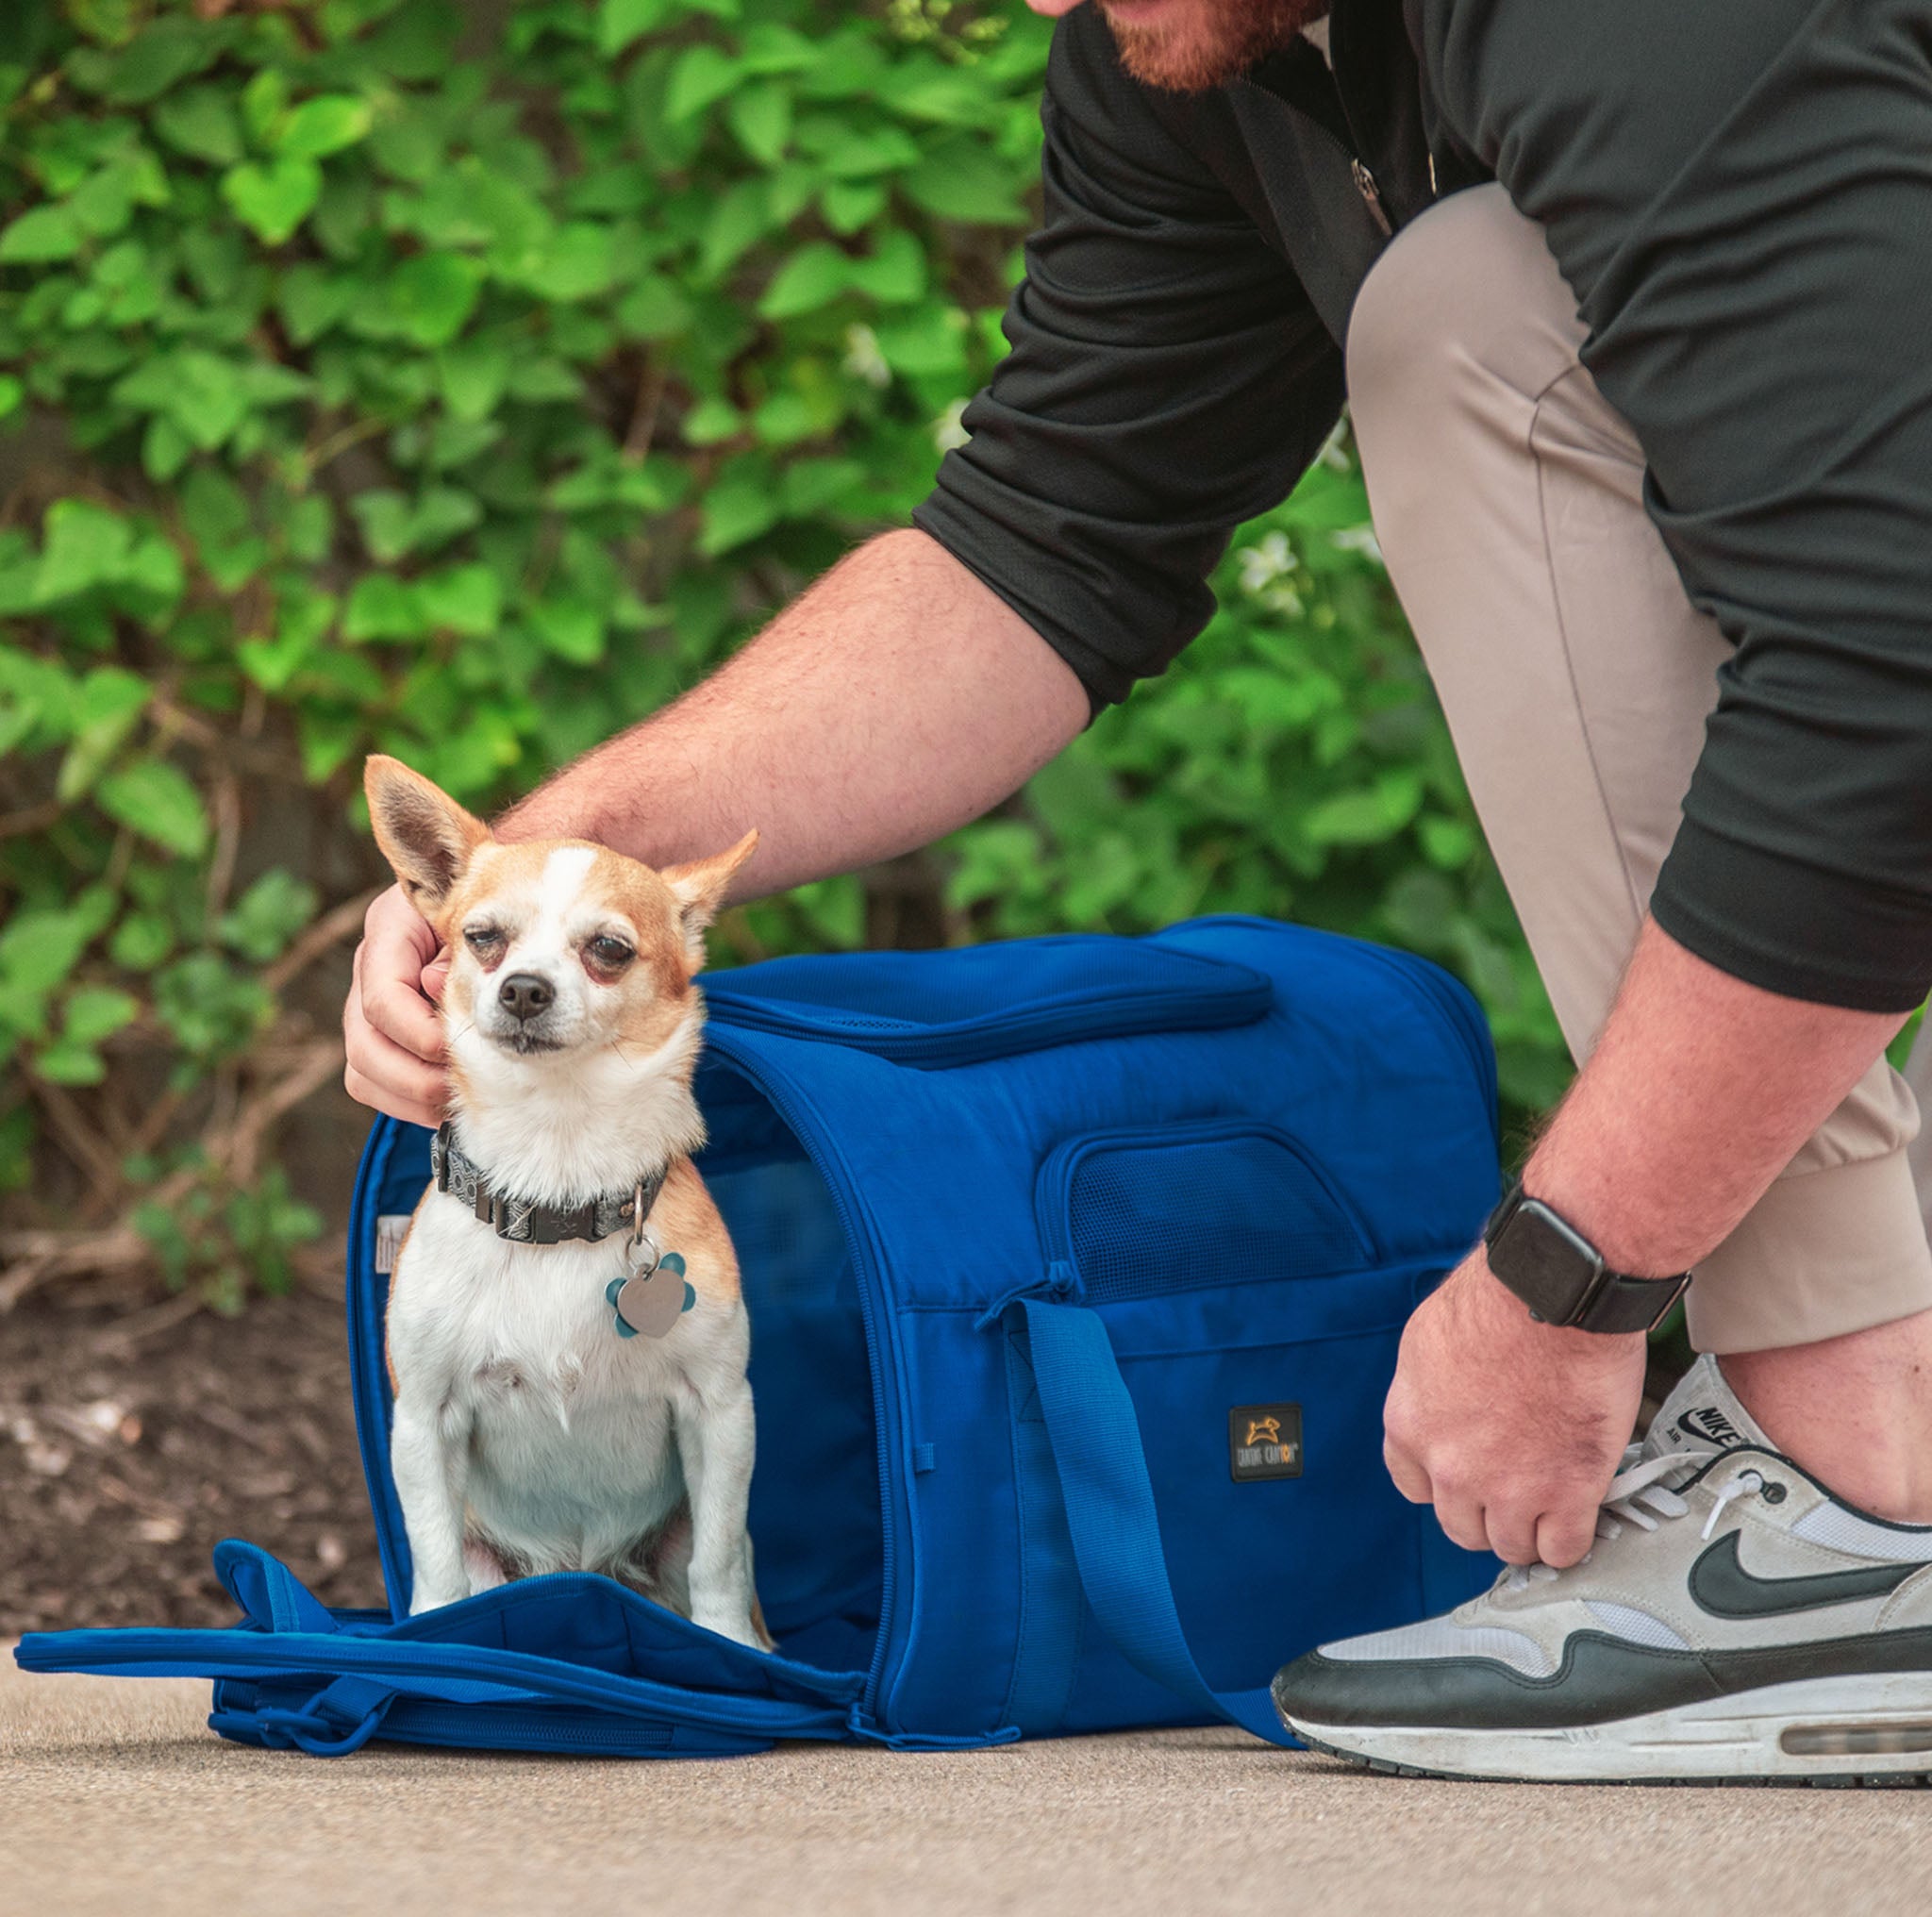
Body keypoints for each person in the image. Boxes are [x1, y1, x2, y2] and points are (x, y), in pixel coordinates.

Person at [343, 0, 1932, 1780]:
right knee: (1474, 301)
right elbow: (1049, 537)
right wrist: (531, 862)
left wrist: (1566, 1283)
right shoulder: (1185, 48)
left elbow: (1892, 678)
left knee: (1467, 319)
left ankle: (1868, 1504)